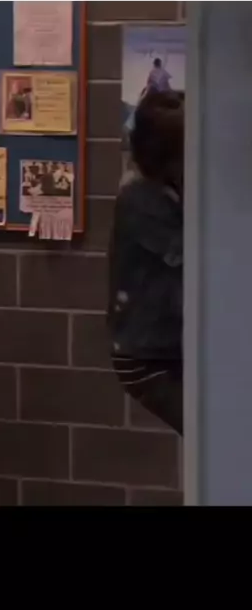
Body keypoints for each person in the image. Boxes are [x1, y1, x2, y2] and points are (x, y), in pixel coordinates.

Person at [108, 90, 184, 435]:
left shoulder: (167, 185)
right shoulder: (139, 198)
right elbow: (190, 252)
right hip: (146, 357)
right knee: (218, 434)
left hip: (169, 343)